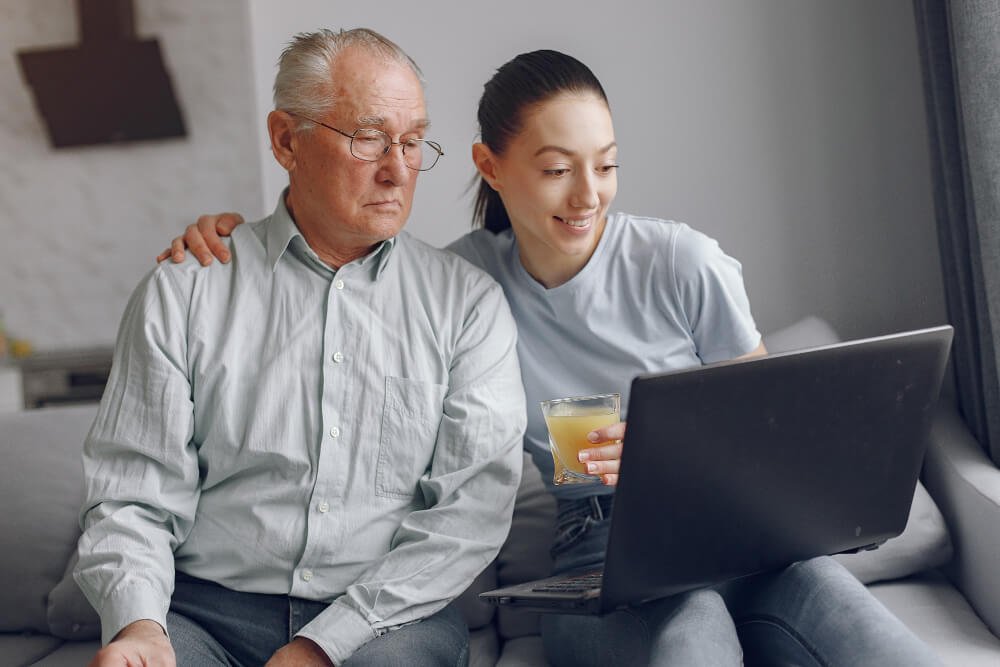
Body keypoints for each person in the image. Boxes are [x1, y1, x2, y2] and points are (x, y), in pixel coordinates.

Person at [164, 50, 943, 666]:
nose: (588, 194)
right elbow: (328, 269)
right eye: (557, 168)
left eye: (605, 164)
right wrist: (230, 239)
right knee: (694, 627)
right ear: (490, 166)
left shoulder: (682, 262)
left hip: (740, 532)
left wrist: (672, 456)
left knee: (844, 612)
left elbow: (776, 433)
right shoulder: (454, 287)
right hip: (600, 557)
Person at [77, 28, 527, 667]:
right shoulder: (185, 291)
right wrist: (141, 627)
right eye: (369, 137)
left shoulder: (467, 305)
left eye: (411, 140)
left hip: (384, 620)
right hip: (204, 612)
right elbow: (133, 494)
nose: (398, 168)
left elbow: (468, 514)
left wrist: (324, 644)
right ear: (287, 140)